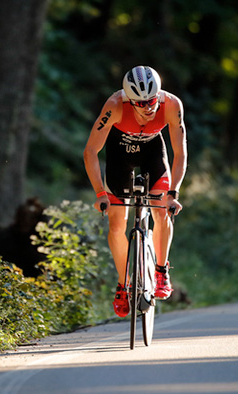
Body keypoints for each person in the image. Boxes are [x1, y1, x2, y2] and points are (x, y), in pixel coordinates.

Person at [83, 65, 187, 317]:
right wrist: (100, 194)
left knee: (161, 211)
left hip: (154, 152)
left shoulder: (172, 105)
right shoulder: (115, 105)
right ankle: (123, 283)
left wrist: (174, 191)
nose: (149, 107)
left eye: (152, 101)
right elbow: (90, 152)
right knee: (117, 224)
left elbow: (180, 152)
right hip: (120, 153)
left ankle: (161, 270)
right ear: (129, 100)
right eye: (141, 103)